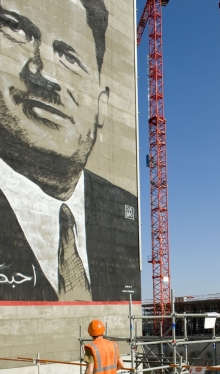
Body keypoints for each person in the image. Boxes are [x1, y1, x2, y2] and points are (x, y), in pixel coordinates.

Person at [0, 0, 140, 301]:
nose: (45, 72)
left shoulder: (120, 205)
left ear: (102, 104)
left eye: (69, 58)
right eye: (16, 29)